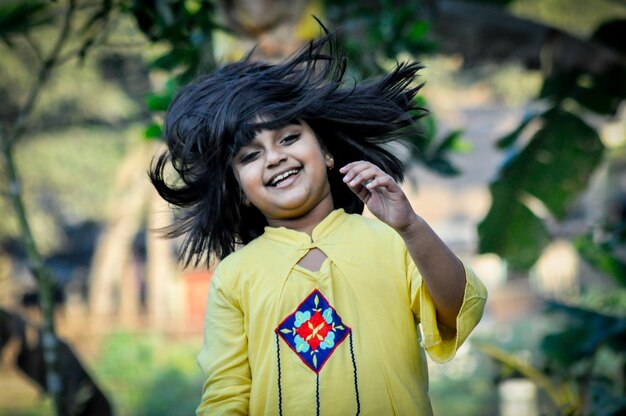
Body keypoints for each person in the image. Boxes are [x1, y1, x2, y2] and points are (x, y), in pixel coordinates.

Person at [149, 27, 487, 416]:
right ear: (238, 188)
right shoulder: (234, 276)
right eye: (250, 155)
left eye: (289, 138)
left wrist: (411, 227)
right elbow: (225, 397)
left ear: (325, 151)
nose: (274, 157)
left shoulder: (393, 242)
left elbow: (461, 309)